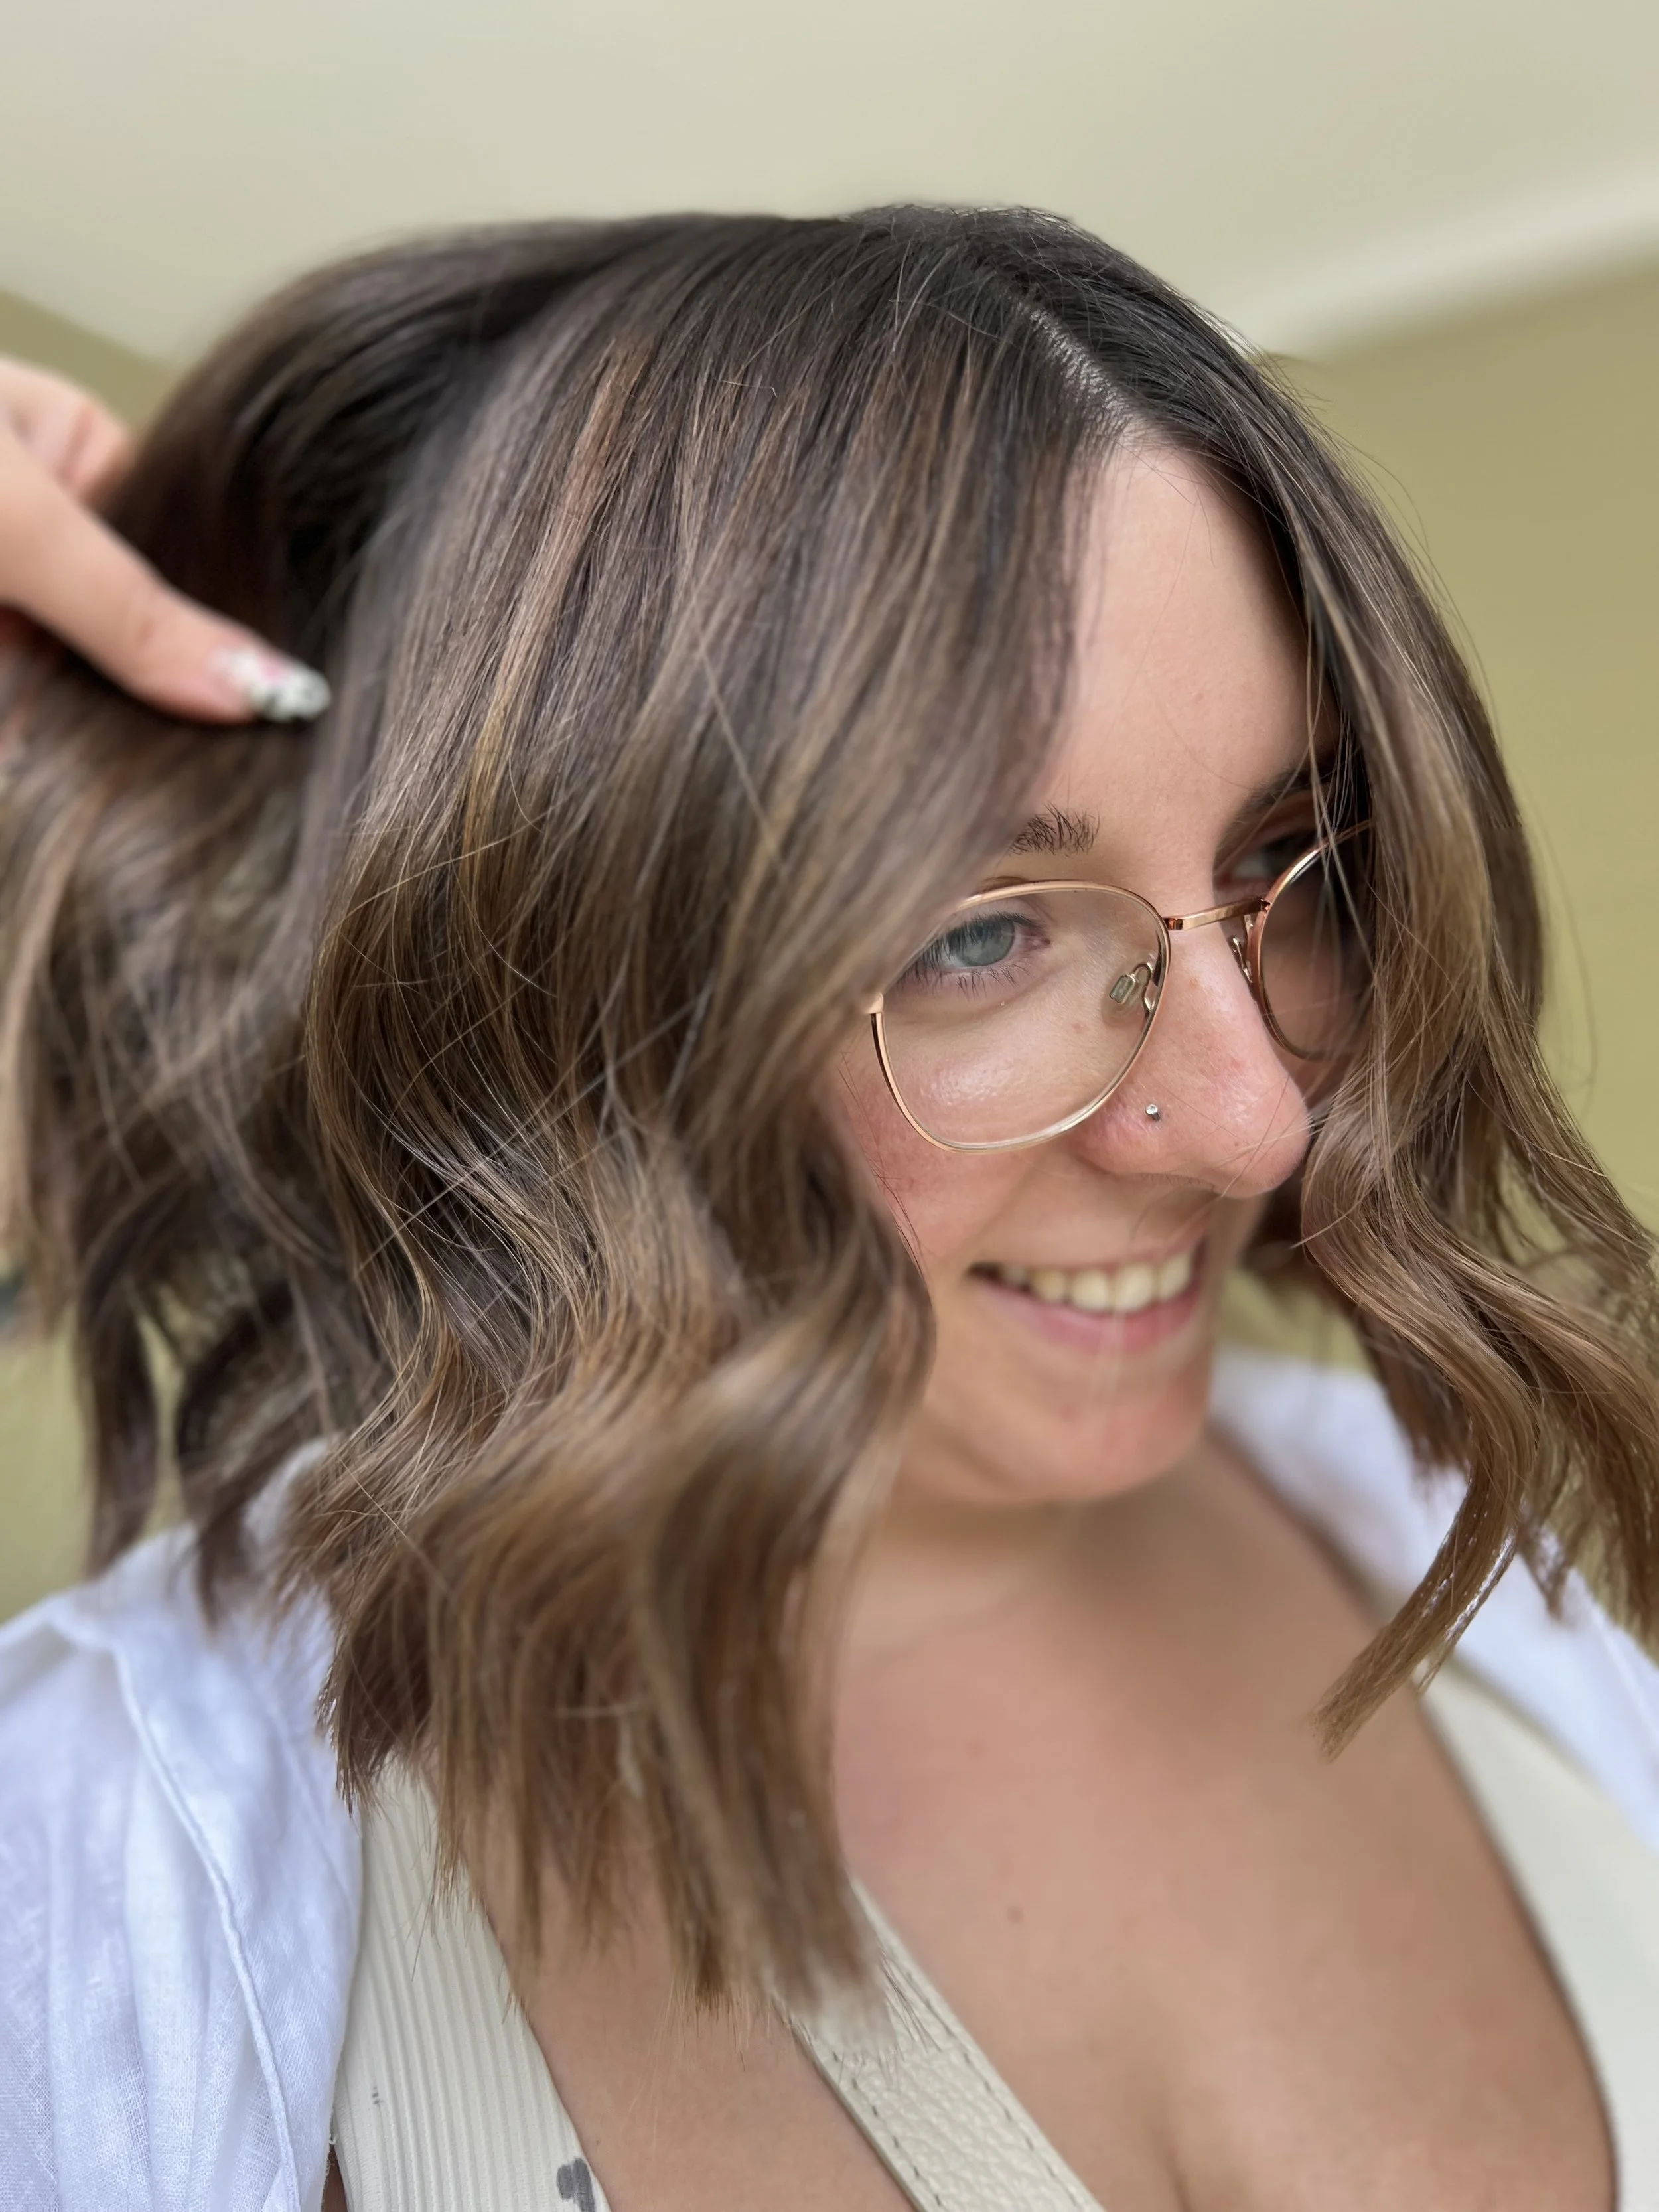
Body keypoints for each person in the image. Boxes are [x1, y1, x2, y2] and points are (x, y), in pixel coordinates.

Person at [2, 209, 1658, 2212]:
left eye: (1287, 860)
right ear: (562, 984)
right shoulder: (122, 1866)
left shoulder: (1482, 1572)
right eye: (974, 931)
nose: (1248, 1121)